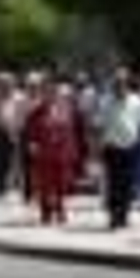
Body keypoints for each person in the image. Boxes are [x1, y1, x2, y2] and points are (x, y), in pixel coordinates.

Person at [98, 70, 140, 230]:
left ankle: (124, 214)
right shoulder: (106, 101)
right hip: (112, 147)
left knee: (127, 184)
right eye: (117, 83)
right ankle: (114, 216)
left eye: (123, 83)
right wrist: (96, 147)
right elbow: (98, 125)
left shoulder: (136, 101)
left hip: (131, 148)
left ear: (127, 84)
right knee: (113, 183)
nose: (120, 86)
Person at [25, 81, 80, 226]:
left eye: (53, 93)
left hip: (61, 152)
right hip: (44, 153)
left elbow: (70, 132)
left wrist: (72, 150)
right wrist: (32, 145)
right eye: (47, 93)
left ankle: (60, 209)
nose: (50, 96)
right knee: (45, 184)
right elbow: (31, 131)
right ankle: (46, 211)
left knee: (61, 182)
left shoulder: (65, 111)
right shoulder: (36, 112)